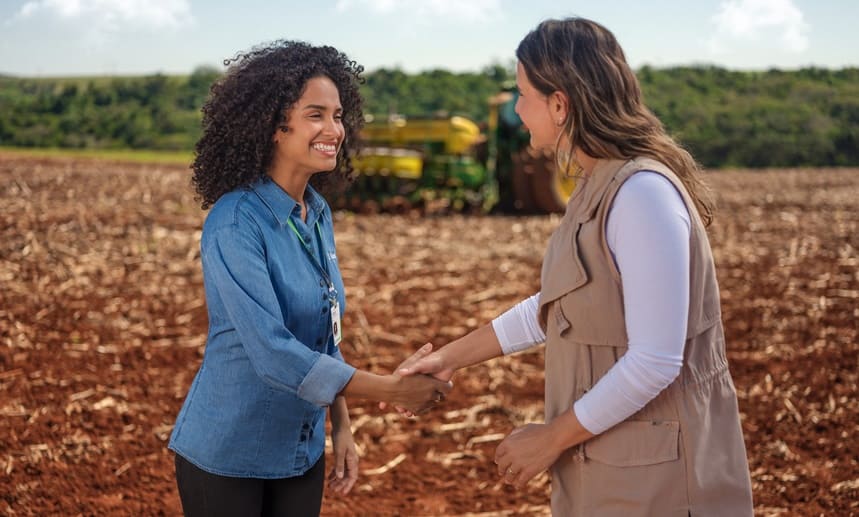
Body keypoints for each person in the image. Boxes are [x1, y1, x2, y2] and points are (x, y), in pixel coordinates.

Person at [396, 18, 754, 516]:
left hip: (662, 480)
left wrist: (550, 439)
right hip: (620, 468)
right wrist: (452, 357)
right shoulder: (599, 184)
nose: (517, 110)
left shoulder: (641, 194)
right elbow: (558, 305)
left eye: (523, 95)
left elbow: (655, 360)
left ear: (560, 104)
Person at [168, 41, 451, 517]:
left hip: (299, 454)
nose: (334, 130)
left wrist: (341, 428)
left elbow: (324, 336)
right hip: (230, 456)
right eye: (315, 114)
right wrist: (391, 390)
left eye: (339, 115)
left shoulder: (316, 213)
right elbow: (275, 353)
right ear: (274, 126)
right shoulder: (235, 222)